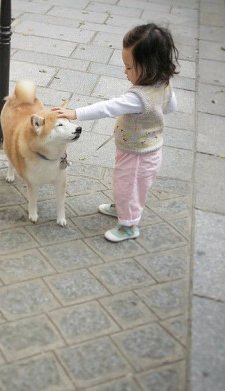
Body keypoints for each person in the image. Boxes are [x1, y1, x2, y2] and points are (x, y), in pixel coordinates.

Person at [52, 23, 179, 242]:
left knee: (128, 186)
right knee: (124, 183)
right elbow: (170, 107)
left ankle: (129, 225)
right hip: (142, 150)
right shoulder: (164, 85)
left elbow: (107, 107)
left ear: (149, 66)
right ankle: (122, 205)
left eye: (129, 67)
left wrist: (75, 113)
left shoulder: (138, 97)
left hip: (139, 155)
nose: (125, 71)